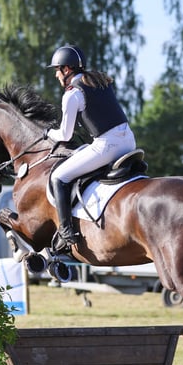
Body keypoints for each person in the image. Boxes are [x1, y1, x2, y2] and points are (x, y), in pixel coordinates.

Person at [44, 44, 137, 253]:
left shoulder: (72, 93)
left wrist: (48, 133)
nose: (56, 75)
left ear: (67, 69)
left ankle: (67, 232)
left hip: (107, 146)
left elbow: (64, 136)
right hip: (129, 140)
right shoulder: (99, 82)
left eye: (57, 70)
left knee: (59, 176)